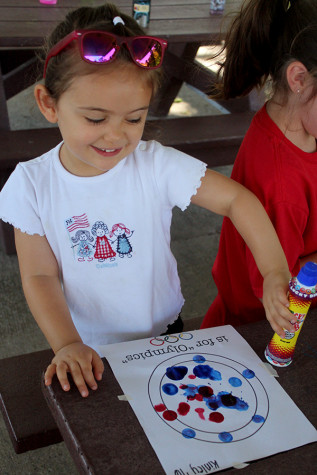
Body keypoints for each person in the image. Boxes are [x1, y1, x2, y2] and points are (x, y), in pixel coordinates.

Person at [0, 3, 292, 398]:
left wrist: (275, 270)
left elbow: (237, 201)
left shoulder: (155, 165)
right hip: (85, 346)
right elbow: (39, 275)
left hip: (164, 332)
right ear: (48, 103)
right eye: (95, 119)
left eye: (134, 119)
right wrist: (66, 343)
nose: (116, 136)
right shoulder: (31, 185)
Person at [201, 0, 317, 331]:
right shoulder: (281, 184)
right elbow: (286, 292)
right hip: (257, 336)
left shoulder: (294, 127)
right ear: (298, 78)